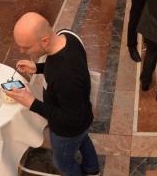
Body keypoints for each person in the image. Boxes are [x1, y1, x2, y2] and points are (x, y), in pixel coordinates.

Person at [6, 12, 100, 176]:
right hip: (84, 115)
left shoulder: (66, 76)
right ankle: (93, 169)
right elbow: (57, 64)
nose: (21, 50)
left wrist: (32, 103)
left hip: (67, 129)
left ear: (45, 40)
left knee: (62, 162)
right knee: (83, 139)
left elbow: (71, 118)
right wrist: (38, 68)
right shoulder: (66, 36)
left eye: (26, 47)